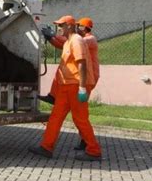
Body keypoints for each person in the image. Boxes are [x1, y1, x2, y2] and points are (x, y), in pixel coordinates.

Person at [29, 15, 102, 161]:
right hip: (65, 86)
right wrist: (50, 38)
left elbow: (82, 64)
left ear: (69, 26)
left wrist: (82, 88)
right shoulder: (70, 41)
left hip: (76, 85)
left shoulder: (77, 40)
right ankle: (46, 147)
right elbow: (60, 45)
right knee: (56, 117)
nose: (59, 28)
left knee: (80, 119)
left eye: (61, 26)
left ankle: (94, 151)